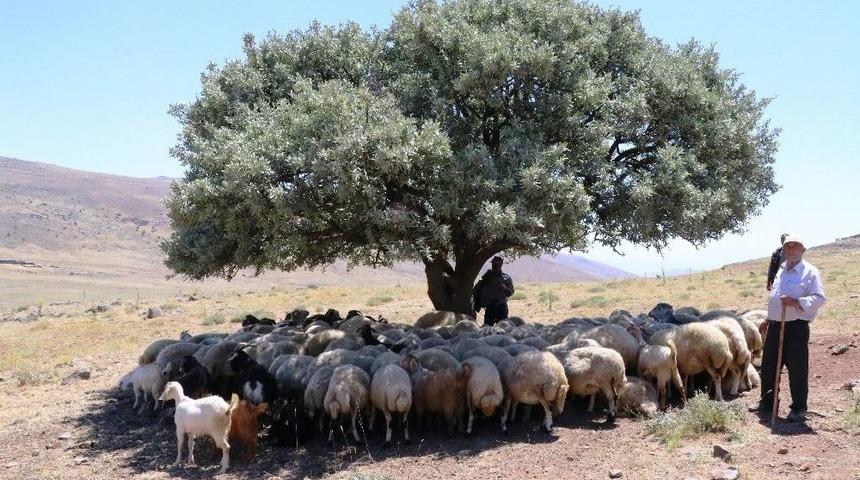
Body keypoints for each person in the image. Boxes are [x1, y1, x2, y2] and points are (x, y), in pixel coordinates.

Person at [751, 235, 826, 423]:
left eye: (796, 246)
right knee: (769, 366)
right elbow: (776, 298)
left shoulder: (810, 272)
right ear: (783, 250)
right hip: (776, 325)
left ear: (803, 250)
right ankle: (767, 403)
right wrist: (768, 320)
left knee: (797, 368)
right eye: (788, 246)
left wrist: (796, 302)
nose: (791, 249)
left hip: (796, 327)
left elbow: (820, 298)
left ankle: (799, 408)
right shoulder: (781, 270)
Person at [472, 256, 515, 326]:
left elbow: (510, 292)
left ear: (501, 265)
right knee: (487, 330)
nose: (494, 266)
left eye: (496, 264)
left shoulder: (505, 278)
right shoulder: (486, 277)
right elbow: (476, 289)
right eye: (493, 264)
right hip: (490, 307)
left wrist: (505, 288)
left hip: (501, 307)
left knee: (503, 328)